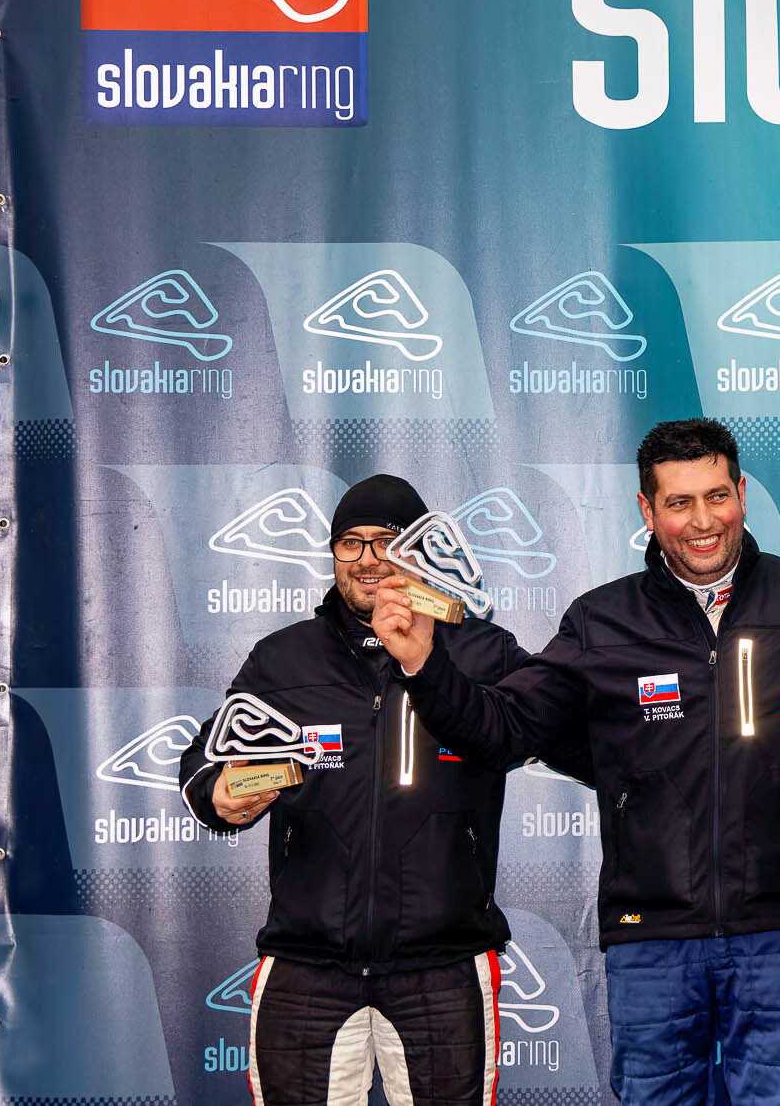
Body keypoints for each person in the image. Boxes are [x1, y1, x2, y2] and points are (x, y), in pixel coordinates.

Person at [370, 418, 780, 1106]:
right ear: (648, 512)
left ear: (741, 494)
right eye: (679, 503)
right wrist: (424, 663)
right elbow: (504, 730)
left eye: (717, 496)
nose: (703, 521)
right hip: (650, 939)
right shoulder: (602, 621)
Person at [177, 473, 566, 1106]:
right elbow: (205, 759)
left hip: (442, 964)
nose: (367, 559)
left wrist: (427, 664)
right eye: (349, 543)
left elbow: (529, 732)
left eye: (386, 541)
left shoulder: (483, 653)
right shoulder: (284, 658)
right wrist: (216, 797)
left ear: (420, 549)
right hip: (307, 966)